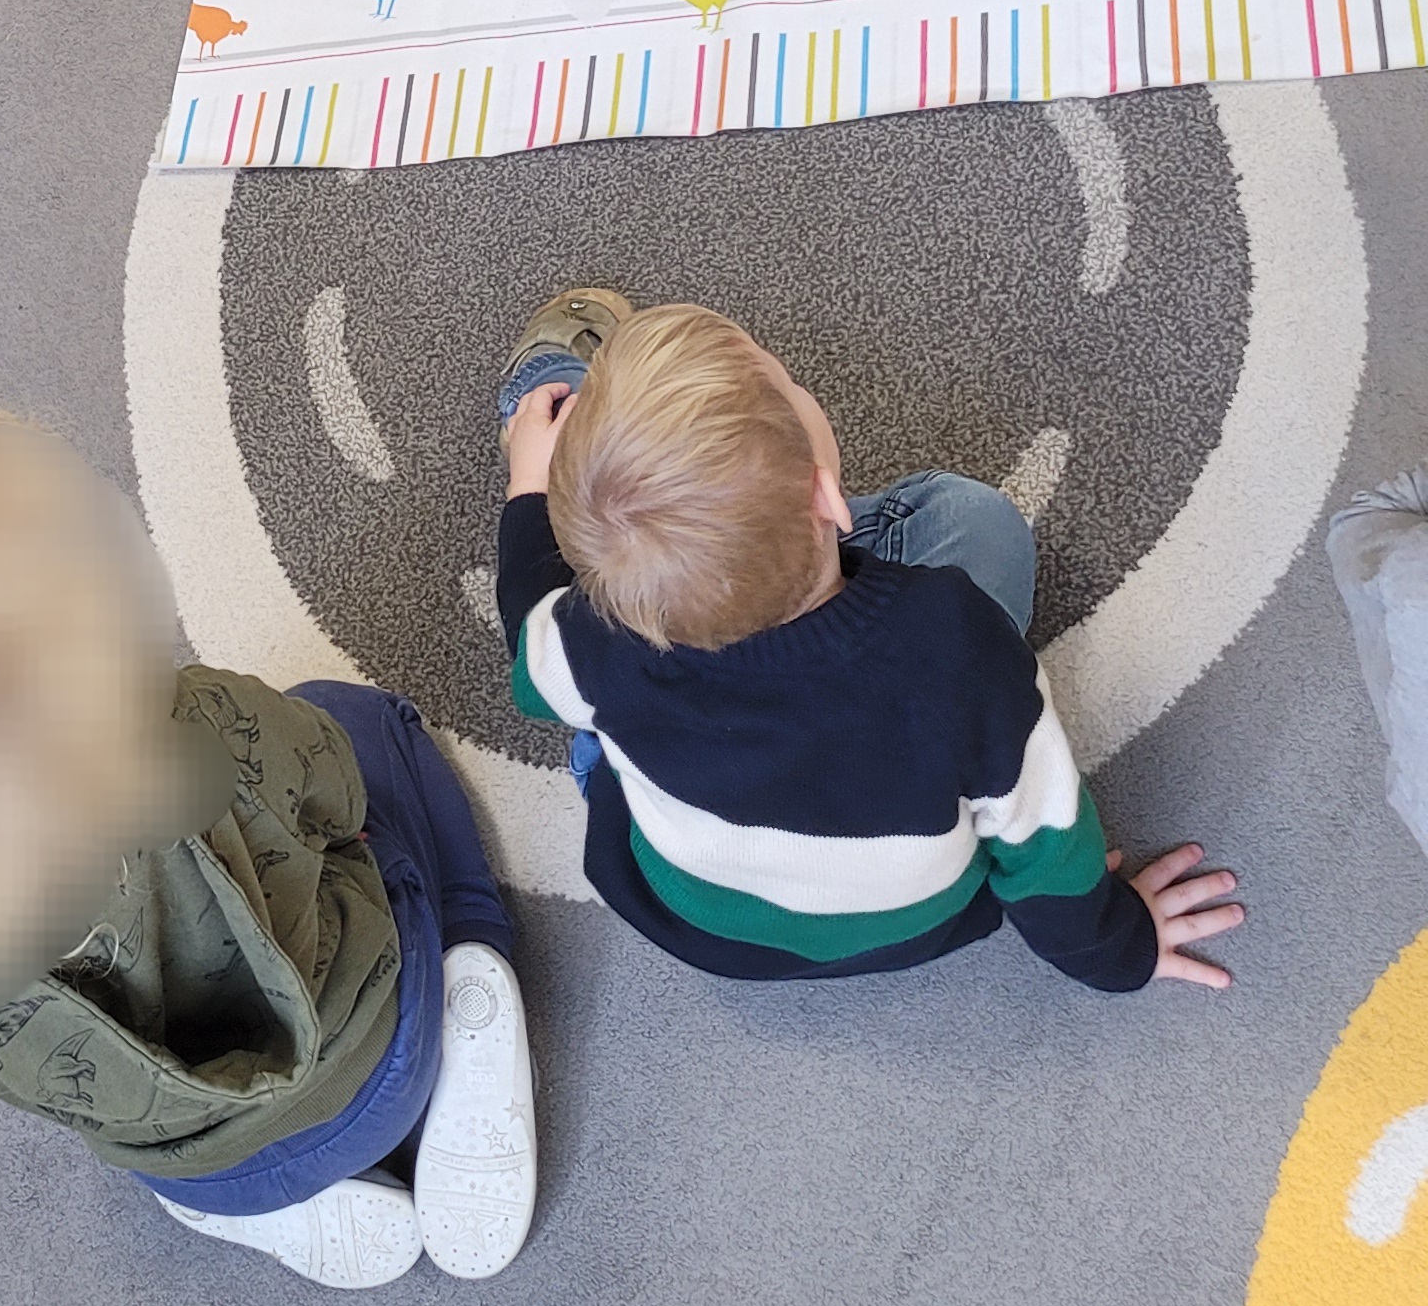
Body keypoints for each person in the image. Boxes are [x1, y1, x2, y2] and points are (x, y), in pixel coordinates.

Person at [0, 411, 537, 1293]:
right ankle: (477, 971)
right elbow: (333, 787)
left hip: (197, 1167)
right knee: (357, 720)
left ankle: (272, 1210)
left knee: (128, 1102)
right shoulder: (192, 729)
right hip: (381, 1063)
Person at [493, 289, 1244, 994]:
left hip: (698, 924)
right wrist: (1119, 948)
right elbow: (1045, 849)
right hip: (914, 926)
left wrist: (531, 493)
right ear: (826, 494)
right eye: (790, 385)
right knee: (976, 520)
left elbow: (530, 658)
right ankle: (742, 518)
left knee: (599, 639)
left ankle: (562, 421)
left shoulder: (596, 631)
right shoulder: (956, 642)